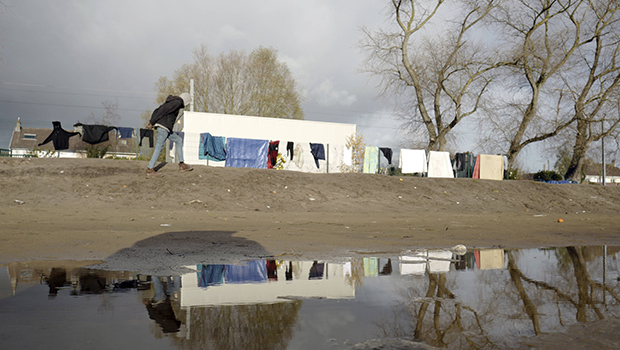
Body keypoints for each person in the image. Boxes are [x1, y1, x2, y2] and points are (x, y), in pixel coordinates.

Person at [145, 93, 193, 178]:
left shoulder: (172, 102)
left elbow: (157, 110)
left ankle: (182, 164)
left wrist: (153, 121)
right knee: (159, 147)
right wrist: (152, 122)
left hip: (166, 129)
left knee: (178, 140)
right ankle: (150, 170)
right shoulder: (177, 102)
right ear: (186, 101)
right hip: (164, 128)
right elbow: (163, 110)